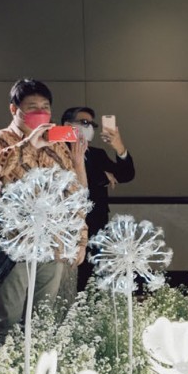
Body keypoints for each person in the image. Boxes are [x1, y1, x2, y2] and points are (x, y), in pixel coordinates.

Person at [0, 79, 89, 335]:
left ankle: (40, 360)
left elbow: (74, 194)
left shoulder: (58, 144)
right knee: (7, 316)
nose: (40, 112)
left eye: (45, 107)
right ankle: (3, 360)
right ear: (14, 109)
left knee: (44, 317)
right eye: (32, 107)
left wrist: (80, 238)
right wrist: (30, 144)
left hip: (53, 242)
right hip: (13, 244)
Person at [60, 106, 135, 291]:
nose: (89, 127)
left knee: (93, 271)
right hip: (67, 223)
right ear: (68, 125)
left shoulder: (97, 154)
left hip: (96, 219)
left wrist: (119, 147)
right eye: (84, 122)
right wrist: (102, 176)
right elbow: (67, 180)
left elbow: (126, 174)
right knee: (68, 274)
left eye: (92, 124)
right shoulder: (56, 151)